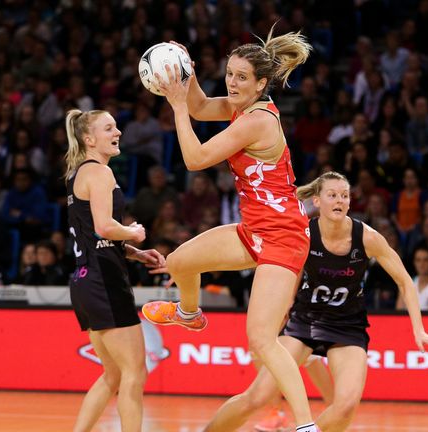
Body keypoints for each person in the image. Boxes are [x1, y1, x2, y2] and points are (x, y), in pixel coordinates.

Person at [141, 29, 321, 431]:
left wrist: (175, 107)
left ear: (261, 84)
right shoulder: (243, 105)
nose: (232, 83)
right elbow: (203, 106)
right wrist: (185, 77)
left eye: (241, 77)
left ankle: (306, 425)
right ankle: (188, 313)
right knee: (179, 261)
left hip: (284, 237)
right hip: (255, 228)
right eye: (229, 74)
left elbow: (195, 158)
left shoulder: (257, 120)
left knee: (260, 339)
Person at [203, 171, 428, 432]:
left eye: (344, 195)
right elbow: (290, 271)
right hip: (305, 321)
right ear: (317, 201)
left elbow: (405, 281)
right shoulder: (303, 233)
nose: (339, 200)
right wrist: (281, 310)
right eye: (332, 195)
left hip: (347, 326)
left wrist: (419, 329)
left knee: (345, 407)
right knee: (256, 398)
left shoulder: (367, 237)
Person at [64, 109, 166, 432]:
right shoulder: (99, 173)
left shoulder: (77, 174)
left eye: (117, 126)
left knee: (113, 375)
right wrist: (133, 232)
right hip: (104, 282)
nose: (118, 131)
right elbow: (105, 227)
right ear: (89, 139)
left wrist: (135, 253)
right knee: (135, 373)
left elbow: (93, 236)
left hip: (85, 281)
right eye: (109, 128)